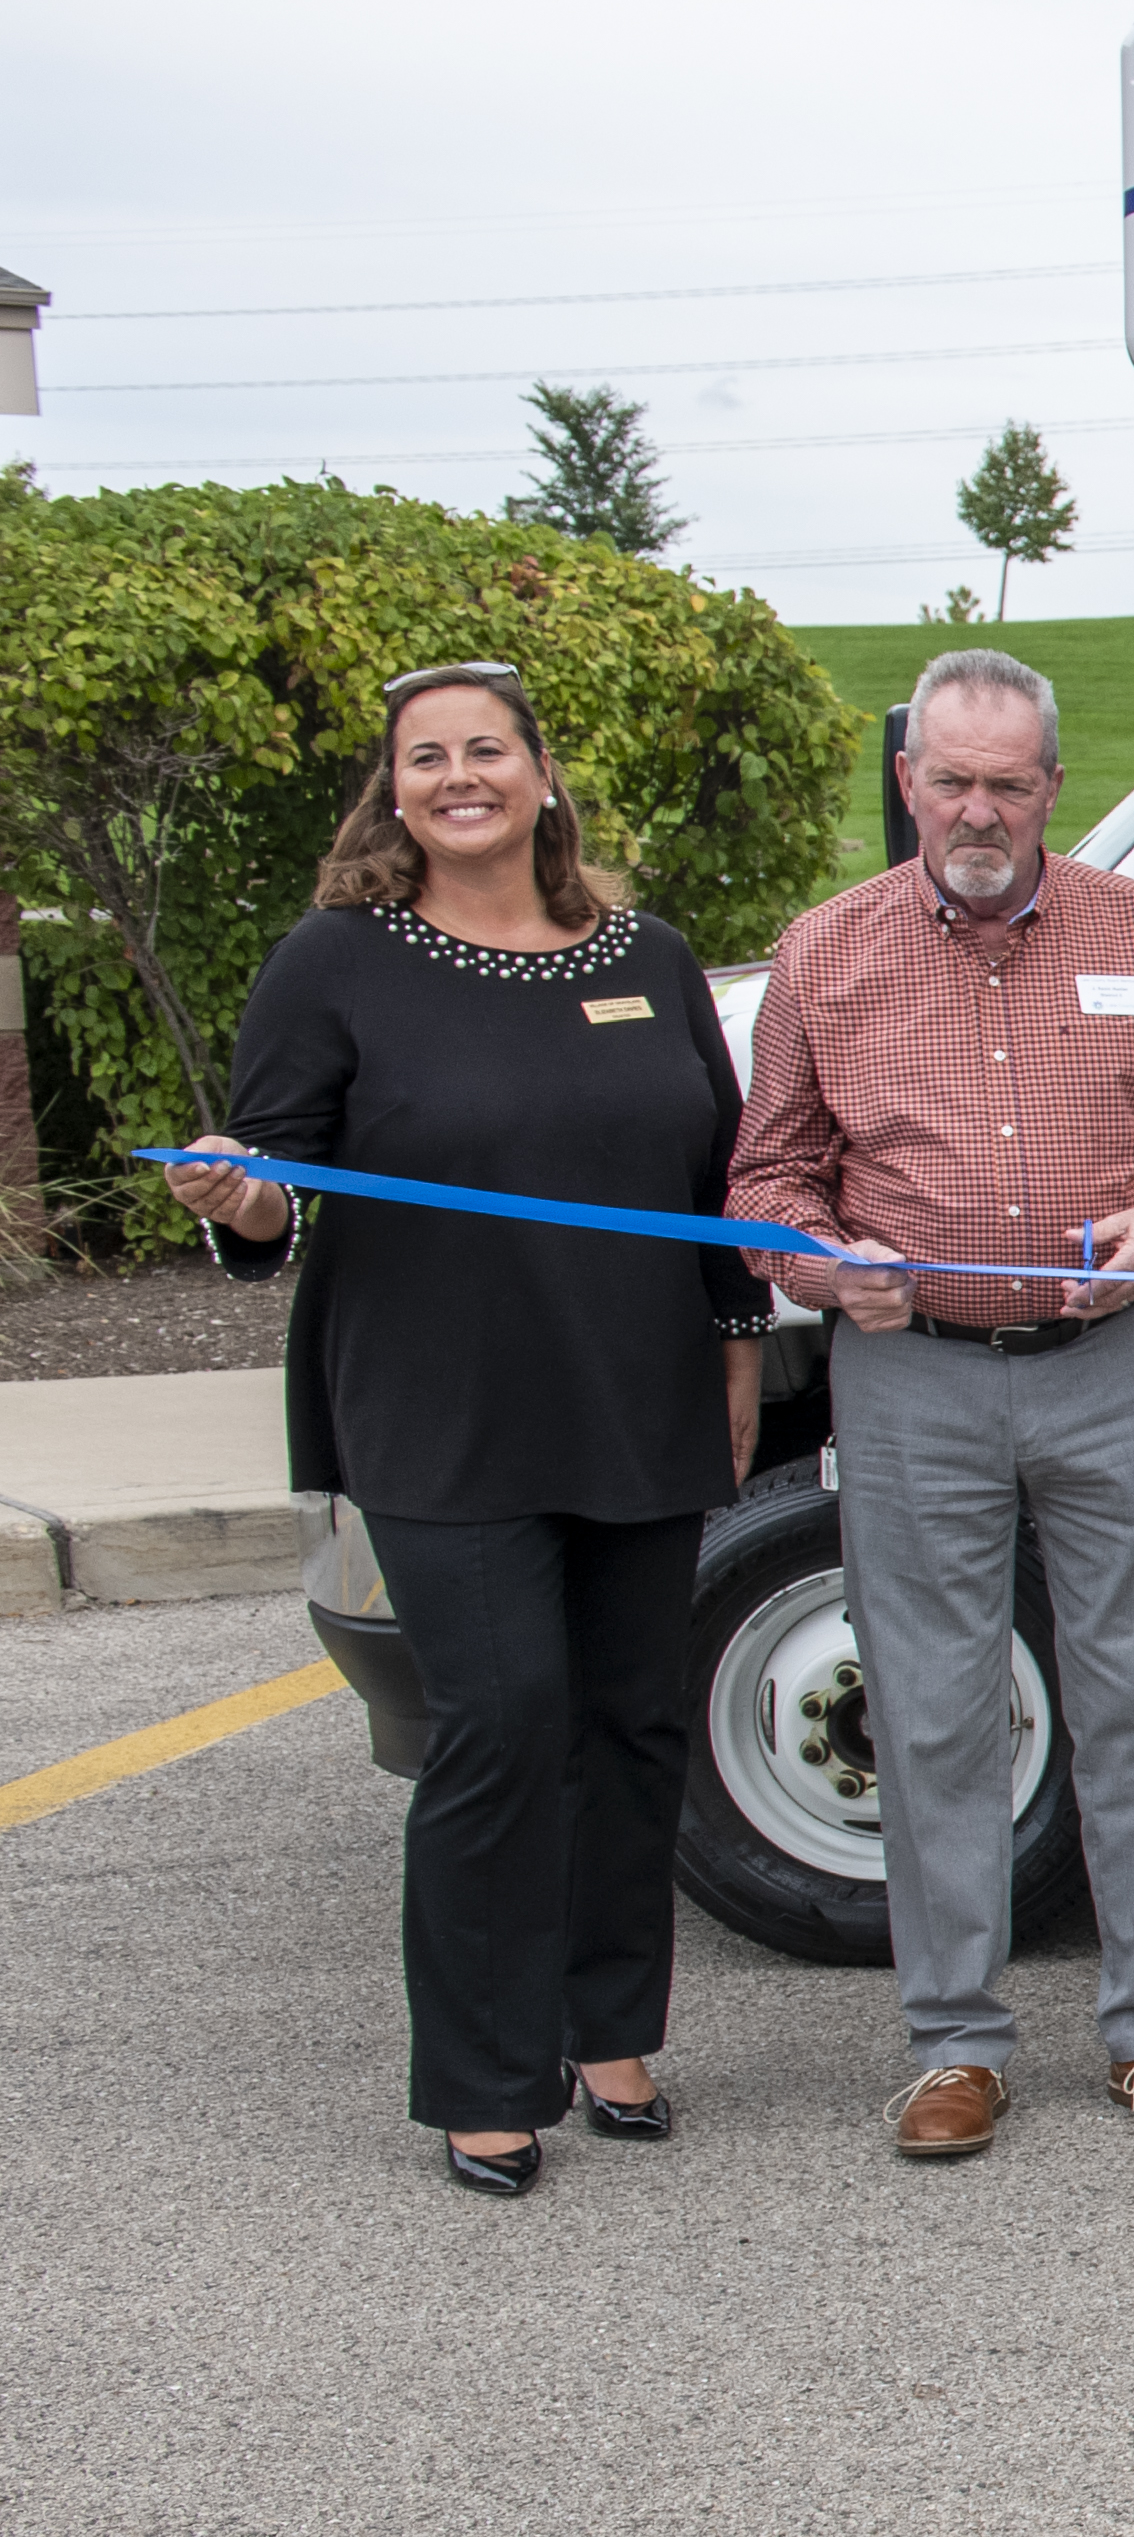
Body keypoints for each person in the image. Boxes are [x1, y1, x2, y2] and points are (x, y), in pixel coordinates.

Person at [172, 661, 767, 2198]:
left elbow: (710, 1177)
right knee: (498, 1729)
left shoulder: (649, 951)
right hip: (440, 1411)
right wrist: (244, 1197)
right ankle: (485, 2077)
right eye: (425, 758)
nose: (459, 776)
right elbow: (277, 1180)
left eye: (486, 749)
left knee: (633, 1724)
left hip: (632, 1389)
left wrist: (738, 1345)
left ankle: (610, 2030)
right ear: (396, 791)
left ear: (541, 774)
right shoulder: (337, 961)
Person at [735, 648, 1134, 2162]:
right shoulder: (825, 954)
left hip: (1108, 1367)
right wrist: (827, 1266)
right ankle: (956, 2043)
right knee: (934, 1713)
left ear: (1053, 786)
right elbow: (767, 1178)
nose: (980, 809)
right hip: (912, 1376)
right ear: (909, 778)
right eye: (951, 779)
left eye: (1010, 782)